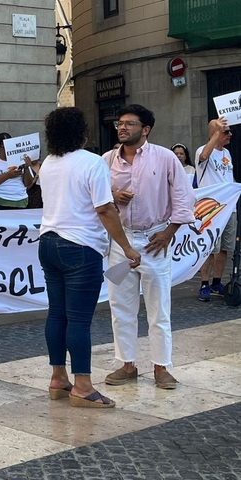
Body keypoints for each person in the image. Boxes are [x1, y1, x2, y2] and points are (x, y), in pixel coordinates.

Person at [39, 107, 141, 408]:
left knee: (57, 314)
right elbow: (105, 209)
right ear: (81, 132)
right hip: (81, 247)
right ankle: (82, 386)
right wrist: (127, 248)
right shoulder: (92, 162)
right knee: (79, 320)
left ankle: (58, 378)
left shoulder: (48, 163)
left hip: (48, 242)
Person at [103, 104, 196, 390]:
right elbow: (94, 196)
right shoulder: (107, 160)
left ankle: (161, 367)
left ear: (146, 129)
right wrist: (113, 194)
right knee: (120, 306)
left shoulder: (165, 158)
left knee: (159, 308)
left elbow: (184, 197)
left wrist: (169, 232)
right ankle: (126, 364)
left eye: (129, 123)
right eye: (120, 123)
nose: (122, 127)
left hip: (154, 240)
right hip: (120, 242)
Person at [194, 117, 236, 301]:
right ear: (214, 133)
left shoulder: (227, 153)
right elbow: (204, 157)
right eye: (226, 132)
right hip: (211, 208)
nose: (230, 134)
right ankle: (204, 283)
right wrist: (217, 132)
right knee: (209, 247)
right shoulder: (202, 151)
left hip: (229, 207)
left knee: (225, 247)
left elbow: (228, 177)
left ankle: (217, 282)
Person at [0, 132, 32, 209]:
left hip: (20, 200)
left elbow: (28, 183)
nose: (7, 149)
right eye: (4, 147)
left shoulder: (21, 160)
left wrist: (26, 168)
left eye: (10, 146)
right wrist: (8, 175)